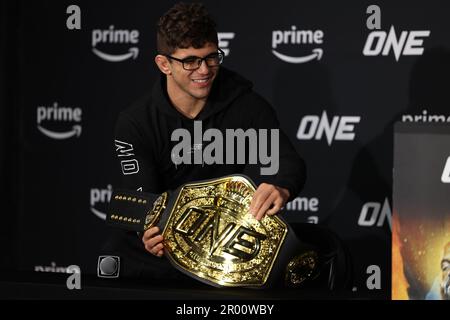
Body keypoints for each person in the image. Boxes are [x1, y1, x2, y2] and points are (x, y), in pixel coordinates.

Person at [109, 2, 306, 282]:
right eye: (190, 61)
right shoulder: (136, 122)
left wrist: (280, 186)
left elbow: (288, 163)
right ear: (164, 64)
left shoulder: (246, 106)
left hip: (229, 246)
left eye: (211, 58)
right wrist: (148, 232)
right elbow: (143, 201)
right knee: (119, 255)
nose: (204, 70)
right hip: (165, 246)